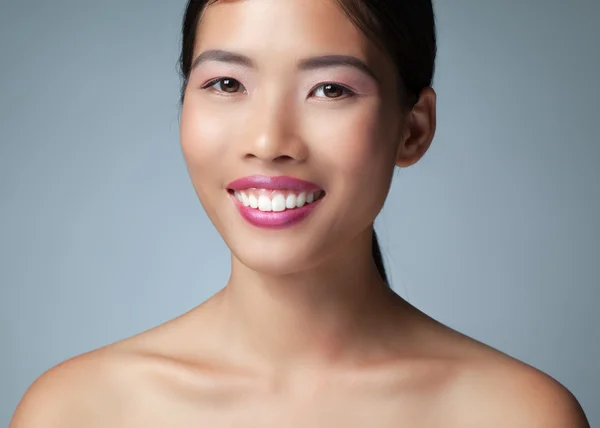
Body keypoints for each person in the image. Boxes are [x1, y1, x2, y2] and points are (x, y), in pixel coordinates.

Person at [11, 0, 590, 426]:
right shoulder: (75, 411)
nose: (268, 140)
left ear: (412, 129)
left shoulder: (518, 415)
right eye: (226, 82)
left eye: (330, 90)